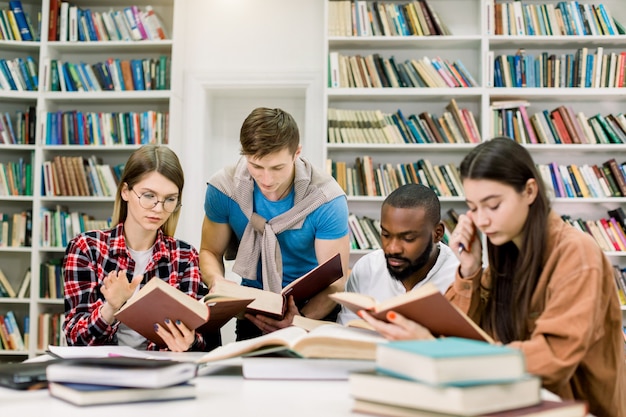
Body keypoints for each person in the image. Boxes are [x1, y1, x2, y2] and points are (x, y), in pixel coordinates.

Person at [359, 137, 626, 415]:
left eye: (493, 205)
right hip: (516, 402)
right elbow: (461, 330)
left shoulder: (576, 253)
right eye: (473, 208)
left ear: (530, 192)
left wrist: (437, 351)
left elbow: (551, 359)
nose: (482, 220)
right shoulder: (507, 252)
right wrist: (469, 270)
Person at [200, 107, 350, 341]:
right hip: (254, 306)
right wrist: (217, 282)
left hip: (313, 311)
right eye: (256, 166)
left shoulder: (326, 198)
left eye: (277, 168)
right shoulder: (225, 189)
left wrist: (297, 320)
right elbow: (209, 251)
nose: (266, 180)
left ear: (296, 153)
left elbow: (336, 283)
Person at [63, 145, 211, 352]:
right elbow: (75, 339)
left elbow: (204, 341)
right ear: (125, 192)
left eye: (170, 199)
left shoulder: (185, 256)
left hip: (163, 374)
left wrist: (191, 342)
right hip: (101, 372)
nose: (159, 209)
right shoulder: (86, 248)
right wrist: (110, 308)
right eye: (149, 196)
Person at [337, 183, 458, 325]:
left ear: (437, 234)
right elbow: (347, 329)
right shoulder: (367, 268)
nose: (393, 248)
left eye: (408, 238)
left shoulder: (459, 276)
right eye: (386, 235)